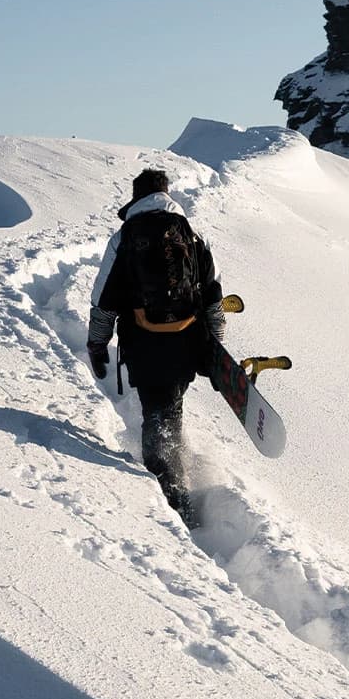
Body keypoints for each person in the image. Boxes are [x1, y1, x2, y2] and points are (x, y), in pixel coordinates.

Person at [87, 168, 225, 527]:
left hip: (144, 343)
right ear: (167, 193)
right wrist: (216, 345)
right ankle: (175, 479)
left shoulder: (124, 238)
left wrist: (97, 345)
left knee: (156, 411)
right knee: (171, 404)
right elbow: (212, 294)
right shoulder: (192, 235)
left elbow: (104, 299)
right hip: (186, 342)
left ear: (135, 197)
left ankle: (171, 492)